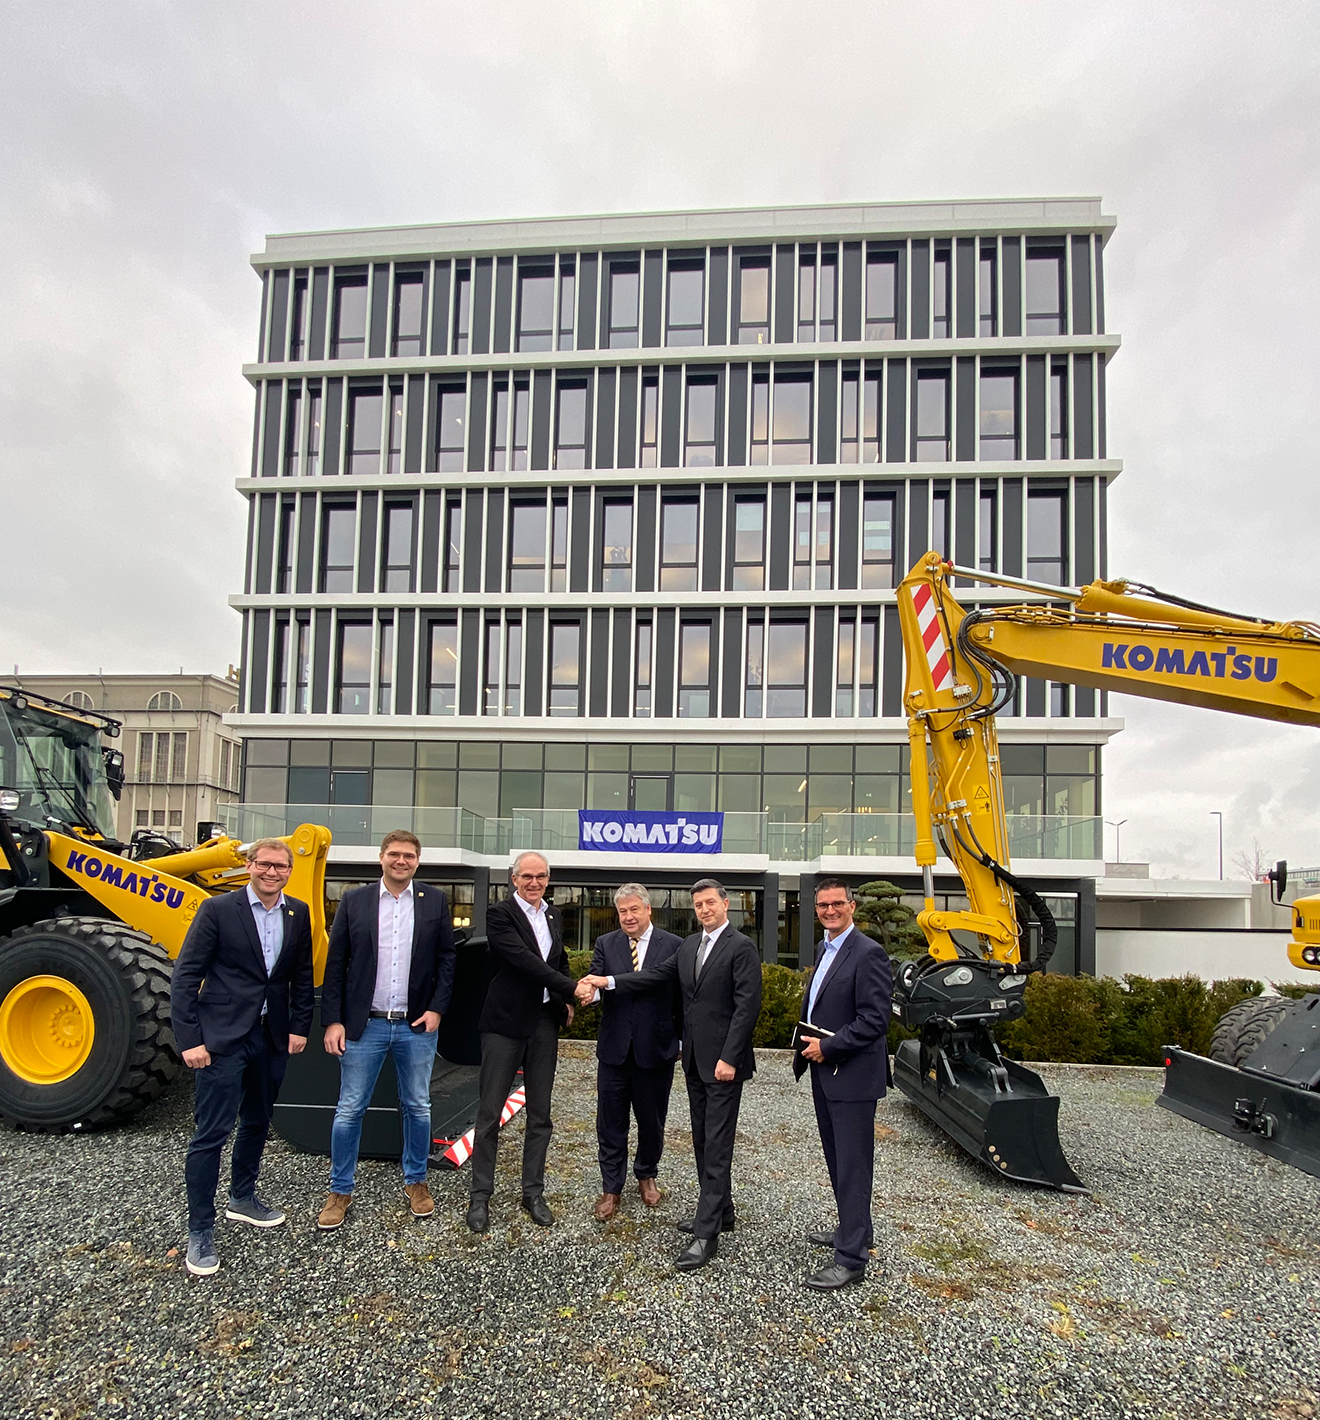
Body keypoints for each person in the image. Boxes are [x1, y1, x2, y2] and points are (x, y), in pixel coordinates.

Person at [579, 877, 761, 1273]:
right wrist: (602, 983)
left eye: (710, 902)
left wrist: (730, 1057)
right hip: (694, 1061)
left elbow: (747, 1007)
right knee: (702, 1141)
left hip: (722, 1064)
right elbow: (655, 978)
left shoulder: (741, 946)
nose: (704, 909)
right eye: (698, 905)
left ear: (725, 904)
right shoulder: (691, 946)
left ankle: (707, 1232)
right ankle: (723, 1212)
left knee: (716, 1144)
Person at [170, 837, 314, 1277]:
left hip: (271, 1036)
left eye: (280, 867)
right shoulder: (218, 910)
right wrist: (190, 1040)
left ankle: (242, 1197)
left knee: (257, 1120)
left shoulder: (298, 912)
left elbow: (301, 975)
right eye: (265, 864)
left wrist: (299, 1027)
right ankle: (200, 1229)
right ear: (250, 866)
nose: (272, 872)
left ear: (289, 871)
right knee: (211, 1133)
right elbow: (186, 975)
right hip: (222, 1038)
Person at [316, 829, 457, 1231]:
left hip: (416, 1025)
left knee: (418, 1106)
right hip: (364, 1025)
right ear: (381, 857)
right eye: (394, 854)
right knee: (349, 1109)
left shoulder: (434, 901)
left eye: (409, 855)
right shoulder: (354, 900)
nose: (401, 861)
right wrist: (333, 1020)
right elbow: (336, 963)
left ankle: (416, 1181)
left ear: (417, 861)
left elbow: (447, 959)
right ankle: (340, 1189)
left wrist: (437, 1009)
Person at [465, 851, 578, 1234]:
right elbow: (524, 961)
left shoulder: (553, 914)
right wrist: (572, 988)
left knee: (540, 1115)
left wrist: (564, 999)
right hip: (504, 1024)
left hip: (544, 1024)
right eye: (527, 876)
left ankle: (533, 1193)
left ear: (548, 878)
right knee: (489, 1115)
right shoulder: (500, 914)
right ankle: (481, 1195)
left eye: (541, 876)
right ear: (514, 879)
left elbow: (558, 958)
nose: (534, 882)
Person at [793, 877, 892, 1290]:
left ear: (852, 906)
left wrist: (829, 1047)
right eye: (822, 905)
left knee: (853, 1166)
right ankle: (856, 1230)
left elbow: (875, 1019)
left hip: (851, 1076)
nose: (829, 911)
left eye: (837, 903)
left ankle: (851, 1259)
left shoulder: (869, 953)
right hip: (826, 1073)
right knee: (839, 1161)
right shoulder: (826, 948)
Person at [586, 883, 683, 1221]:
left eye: (634, 910)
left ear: (648, 909)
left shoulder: (674, 946)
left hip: (655, 1050)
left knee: (651, 1121)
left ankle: (646, 1174)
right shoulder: (606, 943)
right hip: (614, 1050)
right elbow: (596, 984)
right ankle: (611, 1187)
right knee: (610, 1122)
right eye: (622, 911)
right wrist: (587, 993)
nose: (628, 917)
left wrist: (680, 1041)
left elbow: (680, 998)